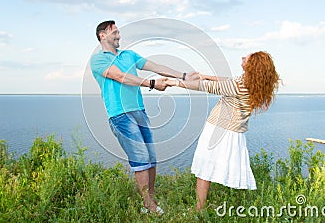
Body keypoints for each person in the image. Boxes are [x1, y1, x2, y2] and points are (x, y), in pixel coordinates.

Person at [90, 20, 198, 214]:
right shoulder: (98, 60)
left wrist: (183, 75)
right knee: (140, 159)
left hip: (140, 111)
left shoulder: (129, 55)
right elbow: (119, 76)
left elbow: (155, 66)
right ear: (102, 35)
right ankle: (148, 206)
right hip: (120, 115)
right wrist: (150, 84)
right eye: (115, 32)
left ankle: (151, 200)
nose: (119, 36)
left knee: (151, 158)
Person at [166, 51, 280, 211]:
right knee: (218, 168)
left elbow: (208, 87)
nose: (242, 58)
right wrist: (206, 75)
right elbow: (227, 81)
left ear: (252, 66)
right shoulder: (251, 83)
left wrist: (173, 82)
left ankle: (198, 209)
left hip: (219, 130)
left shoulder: (238, 85)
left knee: (204, 169)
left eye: (246, 59)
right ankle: (229, 205)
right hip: (234, 132)